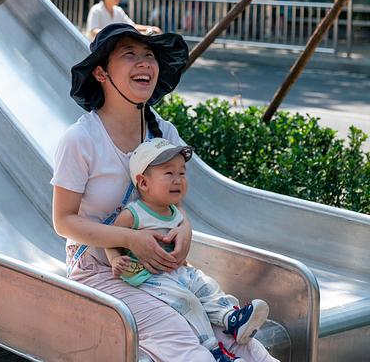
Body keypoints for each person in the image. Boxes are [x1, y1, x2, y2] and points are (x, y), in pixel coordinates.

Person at [52, 22, 277, 362]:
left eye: (149, 55)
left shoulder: (164, 133)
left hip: (162, 268)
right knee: (179, 335)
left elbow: (172, 203)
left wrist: (185, 228)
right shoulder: (80, 140)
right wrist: (130, 240)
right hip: (101, 271)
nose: (144, 62)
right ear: (101, 73)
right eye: (130, 54)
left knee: (244, 343)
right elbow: (63, 222)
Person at [105, 138, 270, 360]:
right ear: (143, 183)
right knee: (188, 303)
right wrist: (115, 260)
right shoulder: (134, 214)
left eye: (182, 173)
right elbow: (111, 239)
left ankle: (231, 319)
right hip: (151, 277)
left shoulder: (175, 211)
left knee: (207, 285)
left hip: (179, 271)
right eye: (169, 173)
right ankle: (214, 349)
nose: (178, 179)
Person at [86, 0, 161, 40]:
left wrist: (150, 28)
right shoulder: (96, 10)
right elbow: (93, 31)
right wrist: (113, 33)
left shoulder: (118, 10)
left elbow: (131, 26)